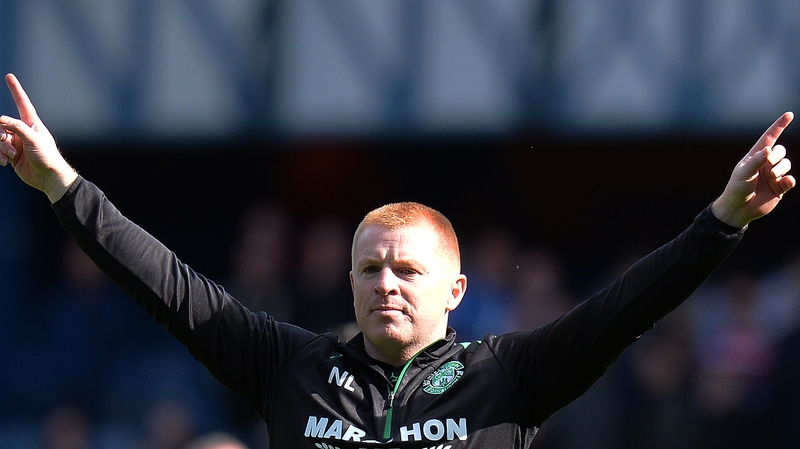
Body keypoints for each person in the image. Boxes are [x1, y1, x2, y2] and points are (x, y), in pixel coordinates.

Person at [0, 71, 795, 448]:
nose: (385, 282)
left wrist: (724, 217)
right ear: (348, 280)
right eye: (371, 267)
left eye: (407, 271)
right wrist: (60, 183)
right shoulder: (288, 364)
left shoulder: (511, 375)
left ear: (455, 289)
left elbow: (632, 303)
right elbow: (164, 284)